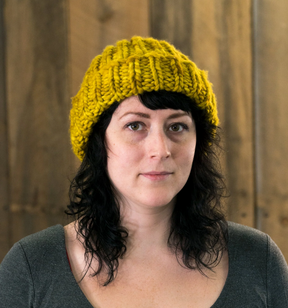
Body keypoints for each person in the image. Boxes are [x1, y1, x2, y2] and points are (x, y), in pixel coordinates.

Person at [0, 36, 287, 308]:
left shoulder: (258, 260)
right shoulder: (32, 268)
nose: (160, 149)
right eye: (135, 125)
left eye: (177, 126)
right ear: (98, 141)